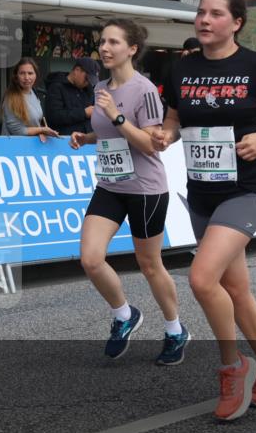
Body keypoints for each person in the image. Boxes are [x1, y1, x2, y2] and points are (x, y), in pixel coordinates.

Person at [152, 0, 256, 421]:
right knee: (237, 291)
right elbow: (175, 114)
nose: (204, 20)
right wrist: (166, 134)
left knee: (203, 280)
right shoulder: (182, 68)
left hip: (245, 192)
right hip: (201, 193)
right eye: (200, 12)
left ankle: (232, 367)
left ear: (236, 22)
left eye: (215, 14)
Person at [69, 19, 189, 365]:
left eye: (113, 42)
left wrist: (116, 116)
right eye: (102, 42)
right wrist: (87, 136)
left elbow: (153, 146)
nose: (104, 48)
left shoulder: (145, 90)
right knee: (91, 258)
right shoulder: (101, 87)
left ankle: (175, 329)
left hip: (145, 189)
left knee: (150, 265)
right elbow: (108, 134)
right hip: (110, 183)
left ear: (132, 49)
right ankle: (124, 315)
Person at [0, 58, 59, 140]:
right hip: (14, 149)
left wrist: (42, 131)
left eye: (30, 73)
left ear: (36, 75)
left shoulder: (34, 92)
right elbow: (17, 131)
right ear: (16, 76)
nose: (26, 77)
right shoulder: (11, 98)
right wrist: (42, 130)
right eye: (22, 73)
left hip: (31, 149)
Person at [46, 58, 98, 136]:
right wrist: (84, 113)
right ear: (76, 70)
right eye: (86, 79)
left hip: (87, 140)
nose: (87, 83)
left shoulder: (88, 89)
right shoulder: (56, 87)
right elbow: (54, 116)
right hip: (65, 141)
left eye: (90, 81)